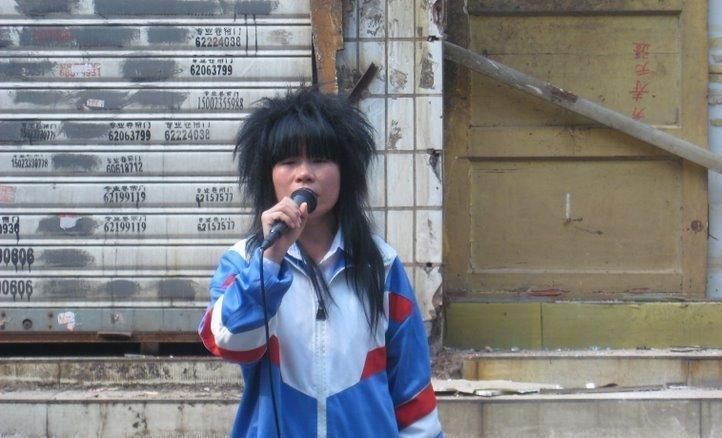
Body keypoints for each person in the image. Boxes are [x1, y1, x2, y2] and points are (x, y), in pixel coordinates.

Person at [198, 87, 443, 438]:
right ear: (267, 174)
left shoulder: (382, 266)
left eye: (319, 159)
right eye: (288, 162)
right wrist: (270, 261)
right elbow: (229, 343)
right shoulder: (245, 261)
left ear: (346, 171)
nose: (304, 174)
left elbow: (412, 388)